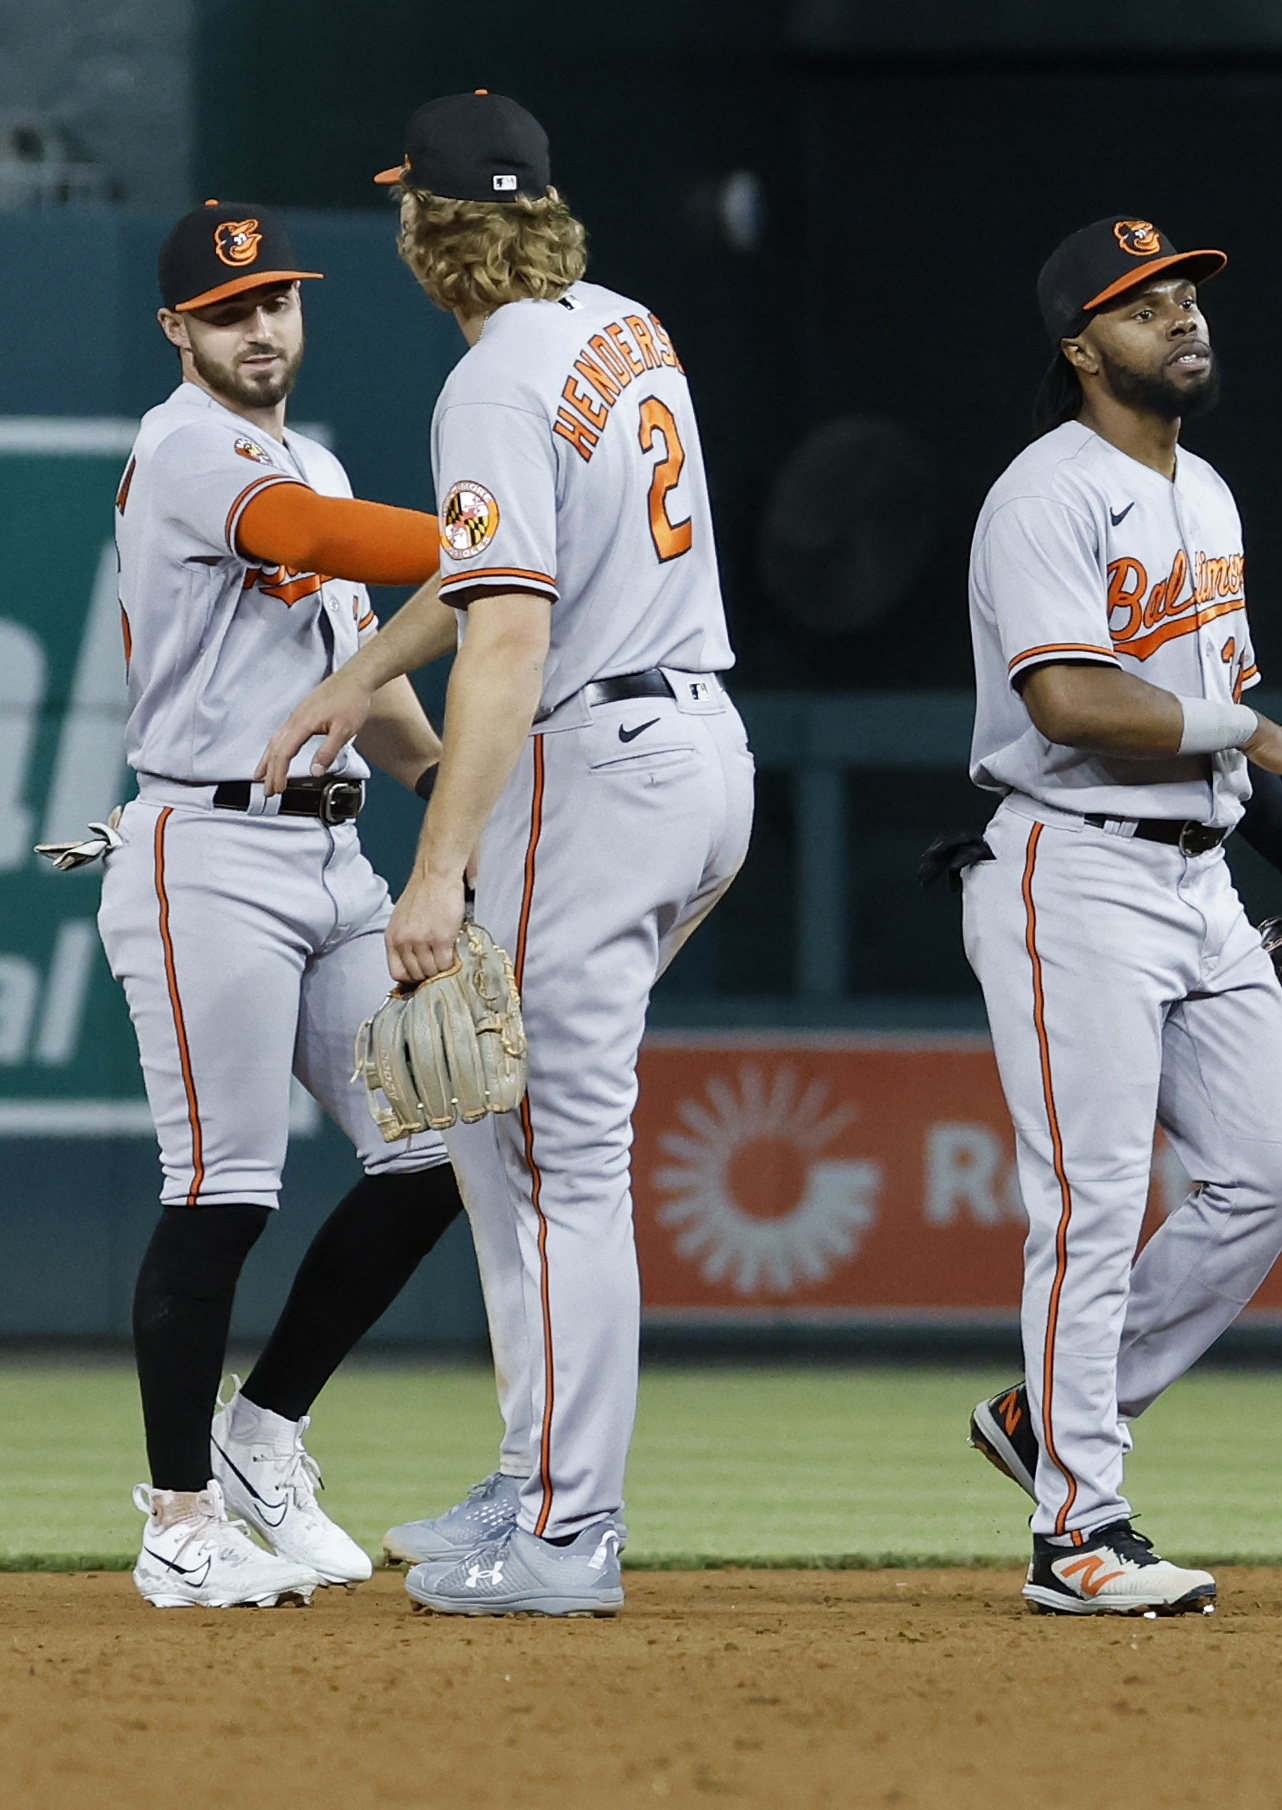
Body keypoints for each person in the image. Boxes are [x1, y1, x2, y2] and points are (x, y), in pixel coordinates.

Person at [260, 91, 753, 1616]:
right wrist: (357, 676)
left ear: (427, 229)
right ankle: (538, 1470)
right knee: (493, 1129)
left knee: (547, 1159)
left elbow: (516, 634)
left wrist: (437, 870)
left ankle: (564, 1525)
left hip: (597, 767)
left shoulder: (489, 383)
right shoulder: (621, 322)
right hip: (699, 761)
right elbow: (498, 572)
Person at [950, 215, 1282, 1616]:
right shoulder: (1045, 495)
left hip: (1197, 877)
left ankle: (1049, 1421)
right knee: (1088, 1197)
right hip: (1069, 867)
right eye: (1143, 305)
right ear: (1081, 347)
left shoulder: (1208, 494)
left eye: (1187, 294)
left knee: (1276, 1174)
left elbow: (1215, 735)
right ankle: (1076, 1529)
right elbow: (1067, 700)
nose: (1182, 316)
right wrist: (1244, 722)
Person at [76, 202, 467, 1609]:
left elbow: (364, 690)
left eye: (278, 302)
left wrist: (457, 798)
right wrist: (496, 530)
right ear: (179, 327)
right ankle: (178, 1517)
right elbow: (314, 536)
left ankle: (262, 1435)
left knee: (443, 1140)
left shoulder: (316, 451)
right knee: (224, 1187)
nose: (262, 327)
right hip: (207, 853)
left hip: (333, 857)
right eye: (231, 309)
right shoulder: (186, 447)